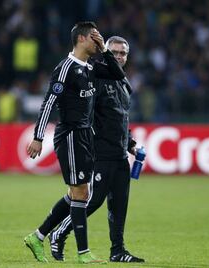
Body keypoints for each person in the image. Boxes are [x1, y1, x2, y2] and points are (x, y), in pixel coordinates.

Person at [24, 21, 125, 264]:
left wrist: (105, 51)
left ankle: (38, 236)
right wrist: (38, 137)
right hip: (69, 134)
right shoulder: (65, 69)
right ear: (81, 39)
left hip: (84, 134)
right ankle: (83, 253)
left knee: (77, 192)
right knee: (81, 192)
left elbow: (118, 75)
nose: (98, 41)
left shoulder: (91, 67)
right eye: (95, 38)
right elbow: (48, 102)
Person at [49, 36, 145, 263]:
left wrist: (130, 143)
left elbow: (121, 119)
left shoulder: (122, 81)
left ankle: (118, 250)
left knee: (119, 204)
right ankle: (59, 233)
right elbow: (87, 116)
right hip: (100, 152)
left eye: (123, 53)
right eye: (114, 52)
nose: (119, 56)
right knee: (92, 200)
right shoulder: (97, 78)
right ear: (104, 52)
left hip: (120, 153)